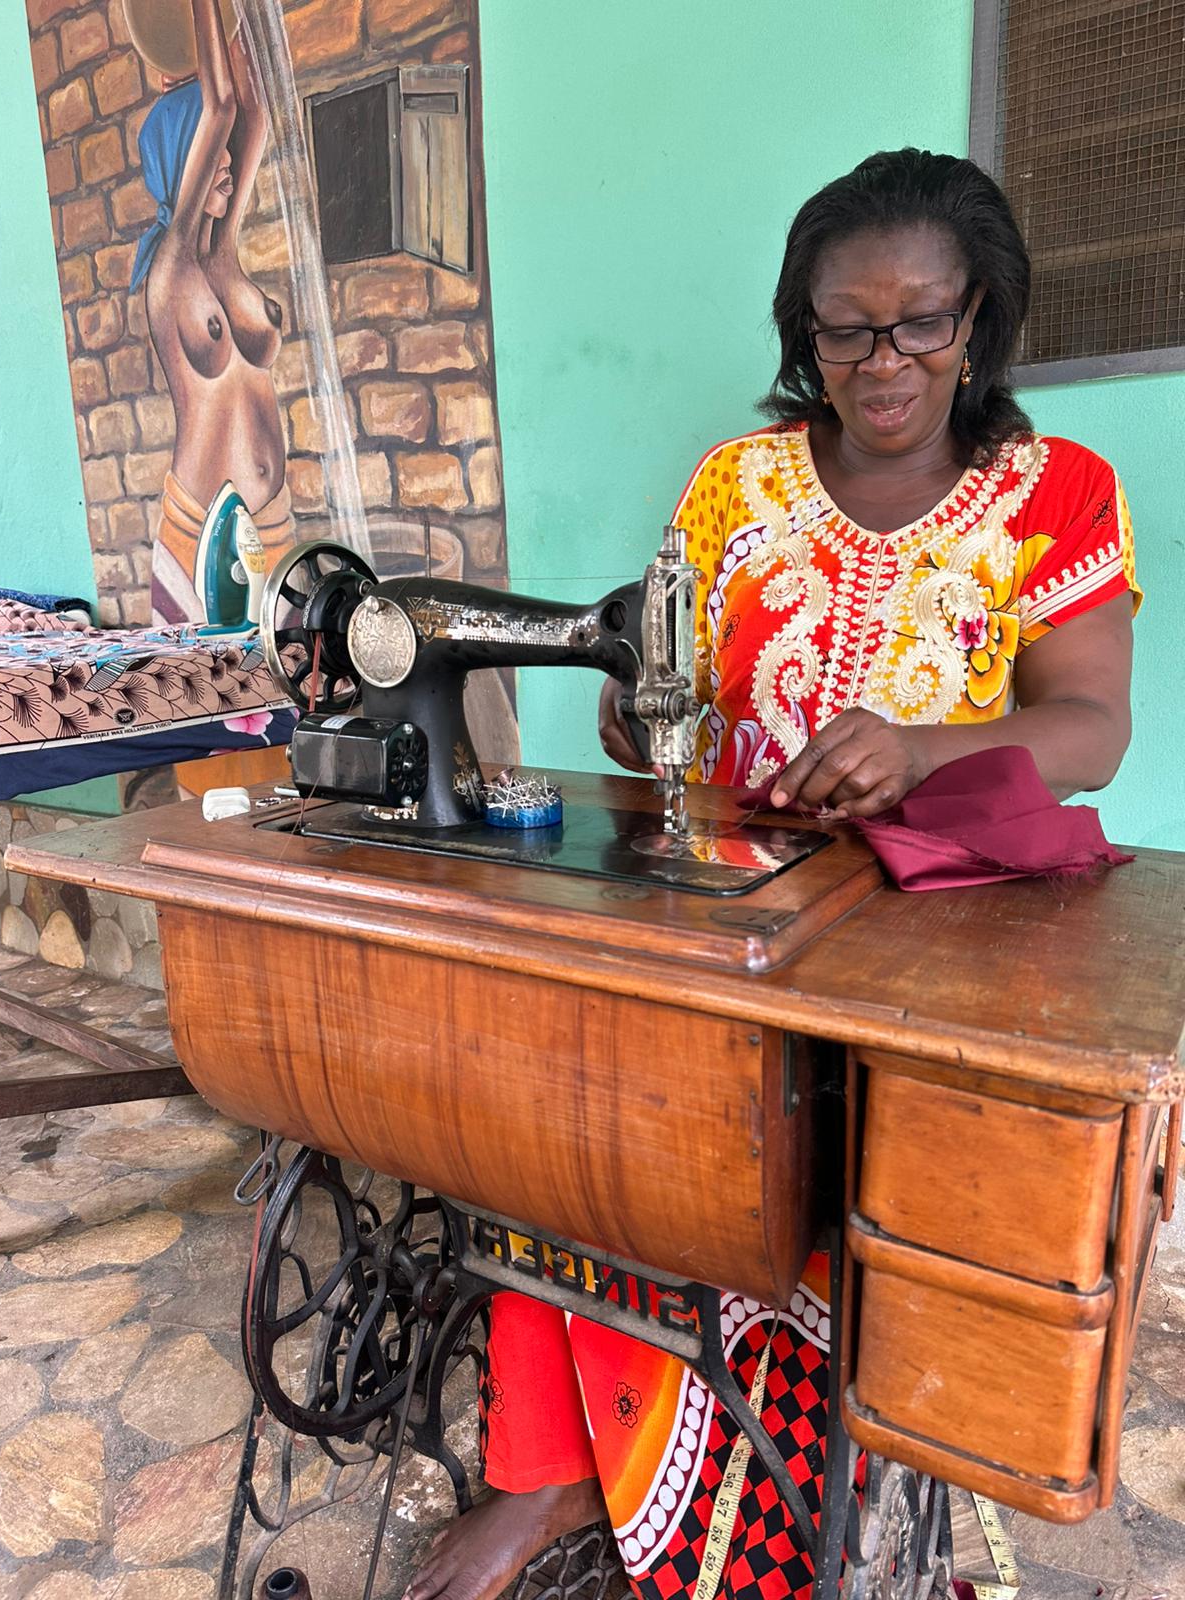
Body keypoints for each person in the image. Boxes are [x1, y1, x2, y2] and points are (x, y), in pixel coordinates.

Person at [404, 148, 1139, 1600]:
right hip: (734, 899)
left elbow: (1095, 732)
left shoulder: (1057, 491)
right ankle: (546, 1466)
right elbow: (658, 679)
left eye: (920, 322)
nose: (881, 361)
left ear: (977, 320)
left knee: (861, 1188)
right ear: (802, 330)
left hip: (939, 926)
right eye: (843, 327)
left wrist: (922, 748)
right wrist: (631, 710)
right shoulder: (734, 489)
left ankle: (817, 1461)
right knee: (548, 1102)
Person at [129, 0, 292, 626]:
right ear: (181, 161)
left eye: (223, 151)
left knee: (300, 708)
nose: (225, 161)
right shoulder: (171, 274)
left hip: (272, 527)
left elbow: (252, 114)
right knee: (224, 722)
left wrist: (240, 18)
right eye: (209, 149)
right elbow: (222, 107)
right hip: (199, 538)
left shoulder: (223, 258)